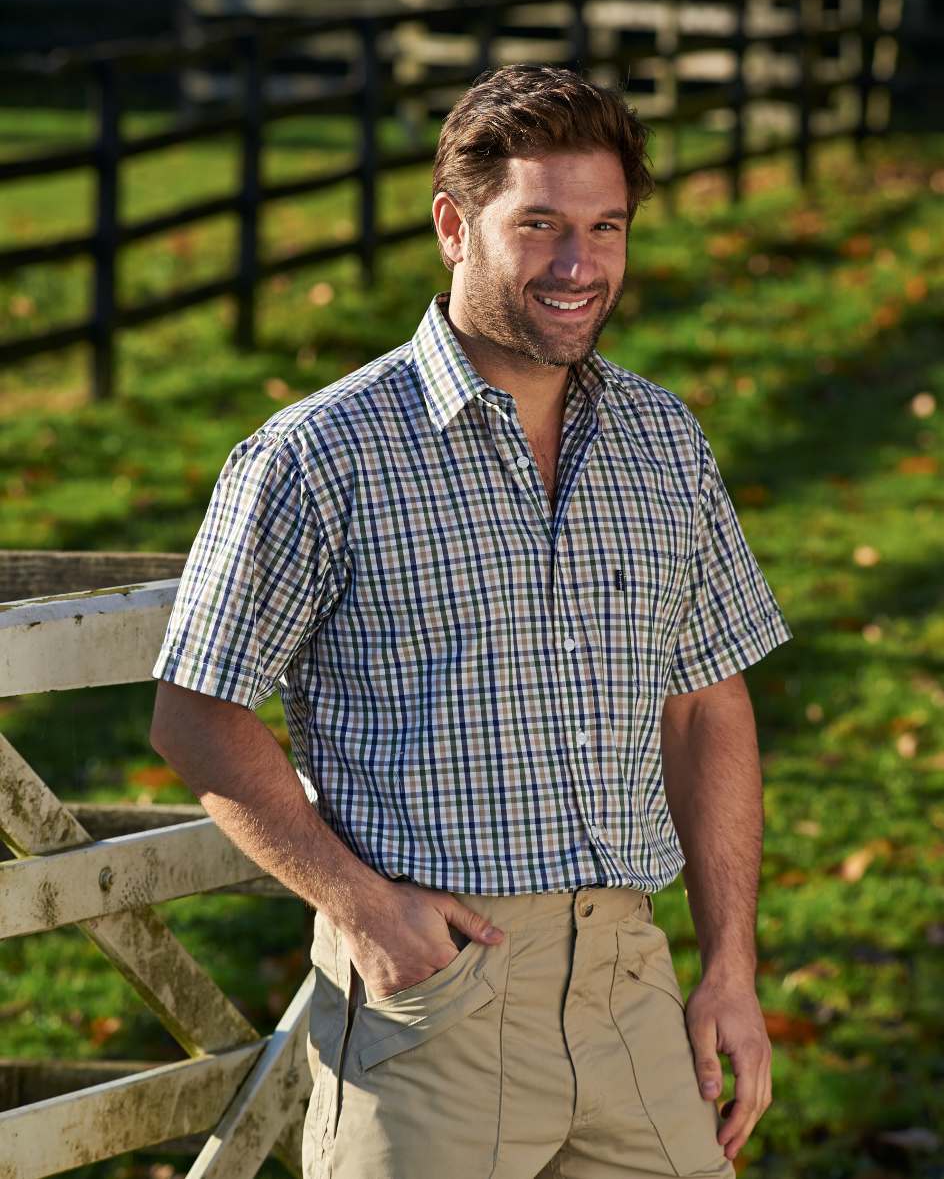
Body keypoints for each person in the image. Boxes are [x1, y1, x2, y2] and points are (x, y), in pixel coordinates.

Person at [149, 63, 793, 1179]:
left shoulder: (663, 441)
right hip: (432, 1000)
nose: (578, 264)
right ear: (454, 224)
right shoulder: (320, 453)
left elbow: (705, 704)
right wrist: (364, 910)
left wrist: (728, 965)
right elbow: (195, 713)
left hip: (629, 989)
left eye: (605, 226)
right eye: (538, 224)